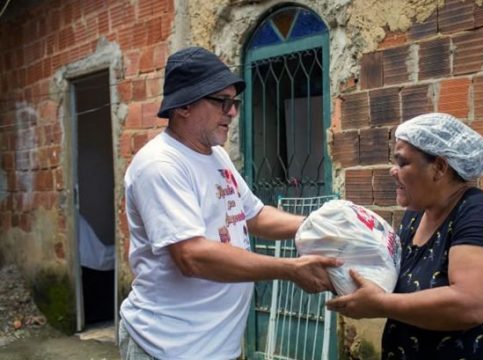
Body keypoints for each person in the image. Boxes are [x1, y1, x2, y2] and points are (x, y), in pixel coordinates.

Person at [118, 47, 340, 360]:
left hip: (215, 345)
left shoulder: (215, 155)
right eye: (222, 101)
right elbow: (192, 257)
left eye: (234, 102)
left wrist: (318, 226)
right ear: (183, 106)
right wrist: (290, 269)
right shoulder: (160, 165)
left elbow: (254, 215)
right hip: (168, 347)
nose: (232, 111)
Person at [326, 113, 483, 359]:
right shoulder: (415, 217)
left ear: (440, 167)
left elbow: (470, 304)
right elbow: (394, 277)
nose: (393, 171)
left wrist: (378, 304)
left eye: (403, 163)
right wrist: (341, 275)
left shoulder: (481, 215)